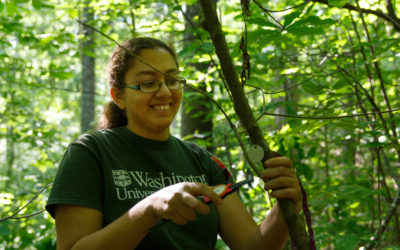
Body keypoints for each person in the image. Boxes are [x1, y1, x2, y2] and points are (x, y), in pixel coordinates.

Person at [46, 37, 302, 250]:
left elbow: (252, 246)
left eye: (172, 79)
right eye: (148, 83)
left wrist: (285, 206)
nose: (165, 92)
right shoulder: (92, 152)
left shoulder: (203, 161)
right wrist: (150, 209)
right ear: (119, 95)